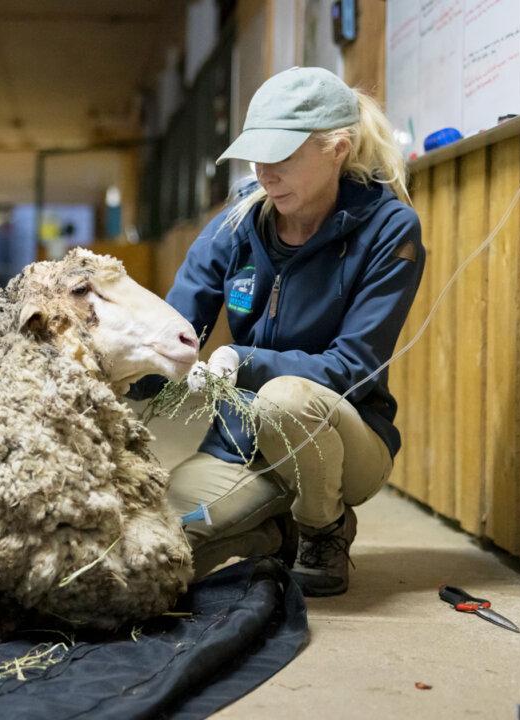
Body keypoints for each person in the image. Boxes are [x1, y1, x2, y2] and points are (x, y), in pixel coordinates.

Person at [131, 66, 425, 597]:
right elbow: (175, 329)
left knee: (282, 398)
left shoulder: (390, 230)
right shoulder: (239, 217)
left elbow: (354, 366)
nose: (265, 173)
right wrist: (118, 376)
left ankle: (322, 528)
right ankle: (270, 534)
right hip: (240, 442)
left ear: (337, 148)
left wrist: (245, 361)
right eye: (257, 156)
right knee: (149, 550)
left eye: (283, 157)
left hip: (341, 433)